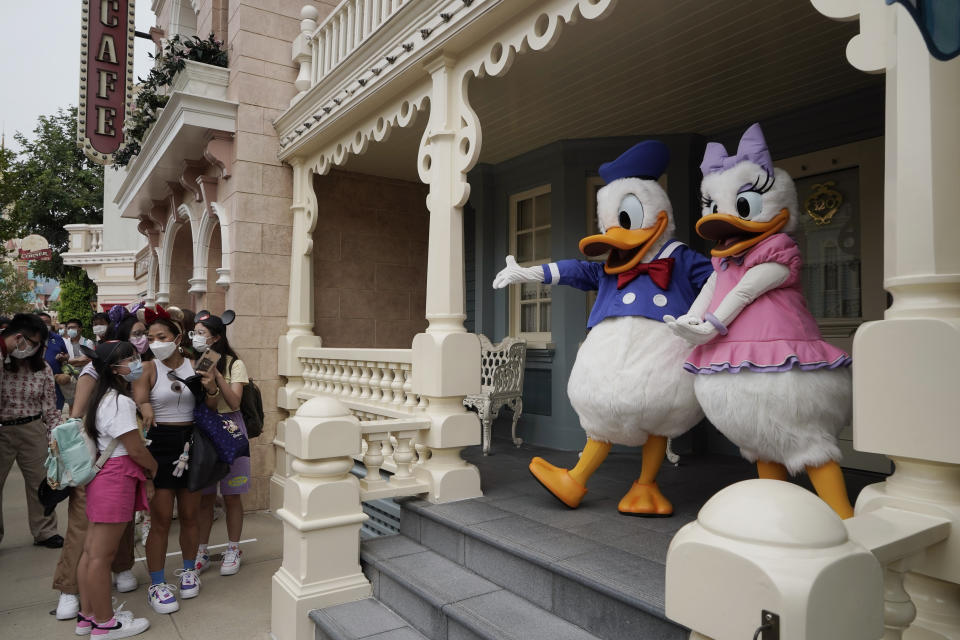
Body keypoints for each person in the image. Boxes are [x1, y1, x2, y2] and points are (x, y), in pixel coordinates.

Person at [52, 325, 139, 622]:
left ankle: (122, 567)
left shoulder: (130, 376)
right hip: (96, 463)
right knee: (83, 527)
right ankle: (70, 589)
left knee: (119, 523)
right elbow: (76, 418)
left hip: (120, 463)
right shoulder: (93, 374)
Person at [75, 340, 155, 638]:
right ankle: (106, 625)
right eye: (130, 358)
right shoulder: (120, 402)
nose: (136, 361)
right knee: (101, 556)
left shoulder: (100, 397)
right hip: (116, 478)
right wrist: (153, 469)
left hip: (102, 478)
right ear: (113, 368)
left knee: (91, 552)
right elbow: (135, 448)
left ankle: (88, 616)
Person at [133, 316, 201, 613]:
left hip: (192, 441)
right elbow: (140, 399)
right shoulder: (147, 367)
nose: (155, 342)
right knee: (160, 520)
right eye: (151, 337)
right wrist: (146, 406)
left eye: (162, 336)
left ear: (177, 337)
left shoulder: (197, 364)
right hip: (160, 444)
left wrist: (210, 386)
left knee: (189, 515)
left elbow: (208, 403)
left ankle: (189, 570)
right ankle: (157, 584)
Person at [191, 311, 249, 576]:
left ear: (215, 338)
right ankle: (201, 550)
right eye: (194, 332)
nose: (196, 337)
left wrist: (217, 374)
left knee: (232, 495)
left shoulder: (234, 364)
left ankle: (233, 548)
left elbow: (235, 402)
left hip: (231, 430)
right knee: (205, 498)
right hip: (205, 431)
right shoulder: (192, 361)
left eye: (201, 333)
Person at [0, 314, 63, 548]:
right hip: (2, 429)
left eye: (37, 345)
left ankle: (45, 531)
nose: (32, 348)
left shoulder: (42, 368)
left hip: (32, 427)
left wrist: (55, 437)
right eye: (31, 342)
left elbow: (50, 406)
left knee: (40, 482)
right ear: (16, 336)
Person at [37, 311, 71, 412]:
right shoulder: (29, 338)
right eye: (41, 322)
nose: (44, 325)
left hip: (55, 381)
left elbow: (66, 354)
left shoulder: (57, 338)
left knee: (56, 410)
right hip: (37, 381)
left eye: (47, 322)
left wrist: (63, 357)